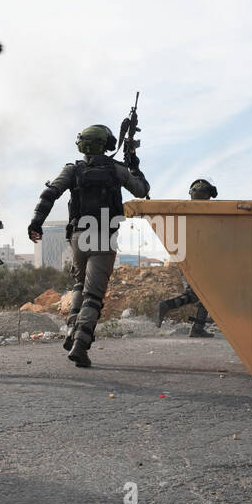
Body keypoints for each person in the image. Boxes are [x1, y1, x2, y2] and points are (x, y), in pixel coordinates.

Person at [28, 125, 149, 367]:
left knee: (79, 285)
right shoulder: (117, 170)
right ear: (106, 144)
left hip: (78, 236)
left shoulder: (72, 170)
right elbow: (143, 190)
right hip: (104, 236)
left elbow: (50, 193)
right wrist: (133, 163)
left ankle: (73, 330)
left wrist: (36, 222)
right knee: (94, 294)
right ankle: (80, 344)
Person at [155, 178, 217, 338]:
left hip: (185, 259)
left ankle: (167, 306)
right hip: (203, 260)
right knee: (207, 293)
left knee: (195, 294)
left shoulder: (183, 210)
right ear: (209, 194)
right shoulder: (211, 212)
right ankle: (197, 328)